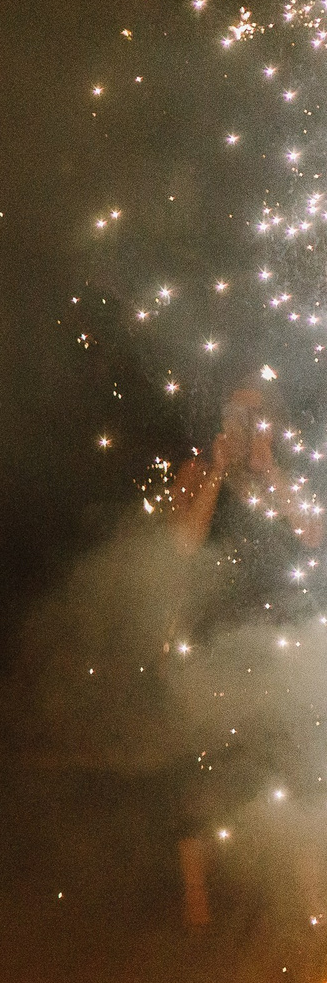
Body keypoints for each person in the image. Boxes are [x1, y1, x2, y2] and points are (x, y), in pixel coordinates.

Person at [162, 382, 326, 943]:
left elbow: (312, 535)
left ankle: (314, 909)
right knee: (200, 766)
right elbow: (183, 545)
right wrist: (215, 473)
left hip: (277, 639)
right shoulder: (194, 470)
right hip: (211, 638)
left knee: (293, 769)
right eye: (239, 412)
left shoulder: (289, 471)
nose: (248, 421)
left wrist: (271, 470)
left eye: (259, 414)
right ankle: (196, 901)